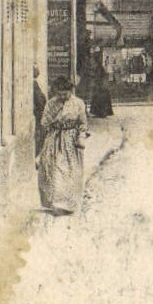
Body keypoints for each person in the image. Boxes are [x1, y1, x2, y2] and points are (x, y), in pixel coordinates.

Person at [36, 77, 89, 215]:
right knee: (54, 169)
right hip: (54, 139)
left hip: (71, 140)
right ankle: (56, 203)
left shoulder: (78, 103)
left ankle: (69, 203)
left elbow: (83, 122)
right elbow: (44, 122)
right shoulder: (51, 104)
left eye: (65, 94)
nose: (62, 97)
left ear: (70, 91)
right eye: (59, 94)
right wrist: (54, 118)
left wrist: (81, 135)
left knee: (70, 170)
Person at [32, 66, 47, 159]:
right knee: (41, 134)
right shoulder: (33, 84)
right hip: (38, 113)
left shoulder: (35, 83)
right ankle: (36, 157)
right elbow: (39, 101)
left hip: (39, 112)